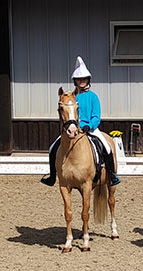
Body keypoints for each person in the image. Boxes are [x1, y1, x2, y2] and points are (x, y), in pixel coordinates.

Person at [41, 56, 120, 187]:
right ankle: (52, 176)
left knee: (107, 147)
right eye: (79, 79)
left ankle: (111, 175)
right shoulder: (72, 97)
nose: (81, 81)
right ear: (75, 81)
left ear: (88, 79)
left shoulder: (93, 97)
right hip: (72, 128)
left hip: (91, 129)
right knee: (52, 148)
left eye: (84, 79)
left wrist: (89, 126)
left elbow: (96, 116)